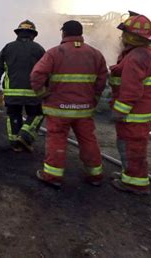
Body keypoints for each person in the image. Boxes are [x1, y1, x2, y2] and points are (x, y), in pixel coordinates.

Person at [30, 20, 107, 188]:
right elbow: (102, 79)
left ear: (63, 33)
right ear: (81, 34)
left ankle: (52, 176)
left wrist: (43, 94)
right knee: (88, 140)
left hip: (58, 109)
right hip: (84, 110)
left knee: (56, 139)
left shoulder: (54, 53)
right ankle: (95, 175)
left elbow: (36, 75)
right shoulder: (95, 54)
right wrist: (94, 97)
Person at [109, 11, 151, 195]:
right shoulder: (149, 52)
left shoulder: (136, 57)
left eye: (124, 33)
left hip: (133, 114)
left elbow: (131, 90)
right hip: (143, 111)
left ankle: (135, 184)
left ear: (131, 36)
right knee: (133, 147)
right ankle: (129, 174)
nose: (121, 36)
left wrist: (119, 111)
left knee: (131, 148)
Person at [0, 20, 45, 152]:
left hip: (12, 92)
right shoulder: (39, 49)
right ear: (33, 35)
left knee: (14, 115)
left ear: (18, 33)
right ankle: (25, 136)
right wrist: (46, 89)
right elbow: (46, 70)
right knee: (36, 114)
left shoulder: (8, 47)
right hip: (33, 92)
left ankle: (15, 143)